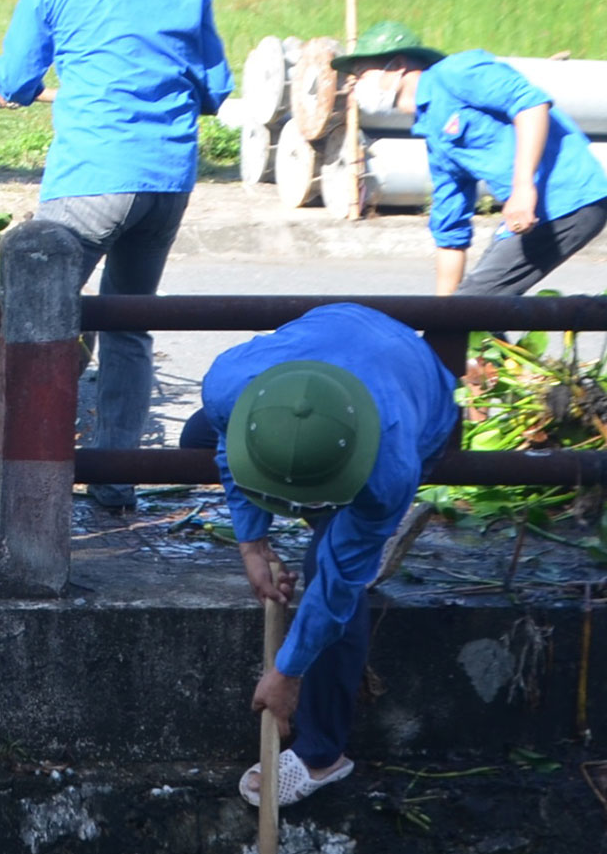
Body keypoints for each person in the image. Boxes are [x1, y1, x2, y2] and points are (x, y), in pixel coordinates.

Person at [0, 0, 231, 516]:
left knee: (34, 319)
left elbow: (17, 80)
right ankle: (116, 478)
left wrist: (12, 87)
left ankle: (1, 479)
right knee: (128, 325)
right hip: (166, 181)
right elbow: (214, 89)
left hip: (92, 176)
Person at [183, 304, 459, 807]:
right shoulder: (228, 386)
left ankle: (321, 754)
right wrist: (252, 543)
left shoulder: (388, 470)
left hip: (414, 387)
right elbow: (227, 440)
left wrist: (287, 673)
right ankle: (344, 529)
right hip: (337, 336)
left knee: (332, 576)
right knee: (193, 437)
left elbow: (332, 590)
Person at [335, 22, 607, 296]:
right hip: (531, 215)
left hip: (569, 199)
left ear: (397, 65)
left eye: (361, 74)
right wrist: (441, 316)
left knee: (478, 305)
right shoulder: (433, 131)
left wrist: (523, 188)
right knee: (471, 309)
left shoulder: (455, 73)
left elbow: (530, 105)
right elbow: (450, 231)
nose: (355, 86)